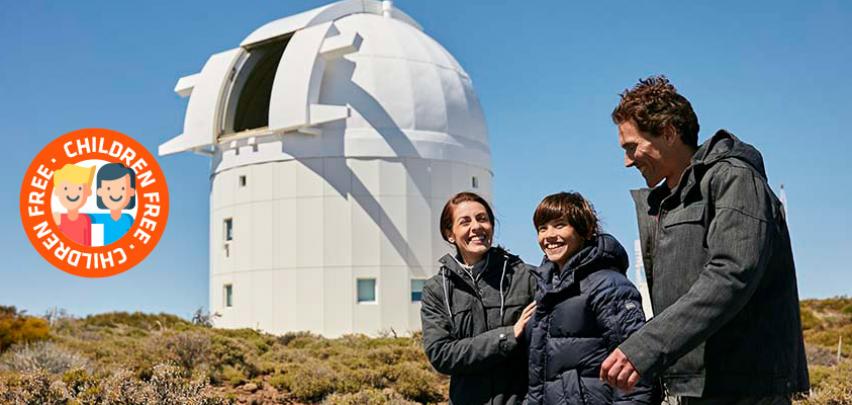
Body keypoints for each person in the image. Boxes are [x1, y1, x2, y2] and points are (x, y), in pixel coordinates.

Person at [601, 76, 809, 404]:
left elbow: (731, 273)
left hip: (745, 388)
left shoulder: (734, 180)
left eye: (632, 146)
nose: (627, 161)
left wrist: (646, 347)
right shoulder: (664, 204)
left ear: (668, 132)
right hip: (694, 389)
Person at [525, 192, 656, 405]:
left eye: (559, 225)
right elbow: (539, 379)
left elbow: (636, 370)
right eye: (542, 228)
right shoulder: (546, 291)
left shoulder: (608, 286)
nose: (549, 235)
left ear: (585, 230)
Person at [421, 191, 537, 405]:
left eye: (482, 219)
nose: (476, 227)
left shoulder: (526, 277)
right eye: (465, 222)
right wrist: (508, 336)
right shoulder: (437, 289)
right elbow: (441, 354)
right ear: (450, 234)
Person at [89, 163, 137, 245]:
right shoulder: (98, 218)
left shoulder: (128, 219)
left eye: (122, 188)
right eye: (108, 188)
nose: (115, 193)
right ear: (99, 192)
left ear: (131, 192)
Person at [52, 163, 95, 246]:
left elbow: (88, 244)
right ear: (57, 191)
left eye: (79, 188)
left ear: (87, 192)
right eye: (66, 188)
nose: (73, 193)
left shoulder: (85, 219)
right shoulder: (57, 219)